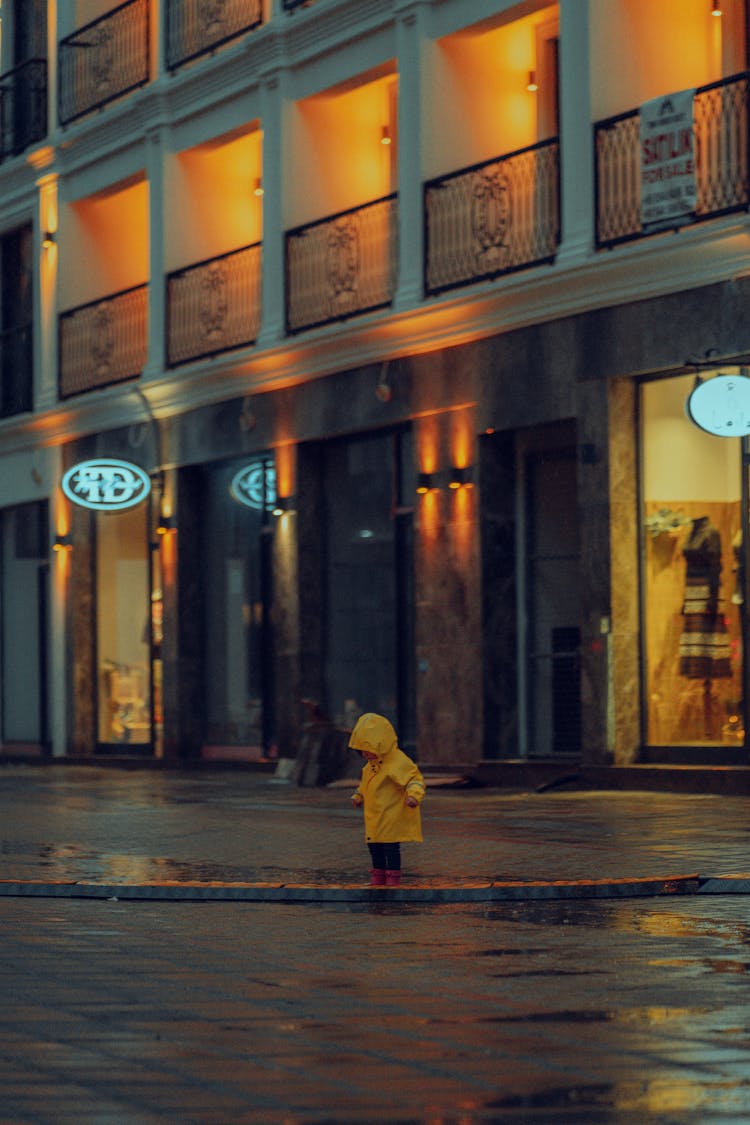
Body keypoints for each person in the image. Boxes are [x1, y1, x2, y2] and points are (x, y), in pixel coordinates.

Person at [349, 712, 426, 887]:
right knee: (374, 847)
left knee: (390, 847)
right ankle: (378, 878)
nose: (364, 754)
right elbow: (365, 784)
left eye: (367, 749)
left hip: (390, 814)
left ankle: (392, 880)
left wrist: (414, 795)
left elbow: (414, 779)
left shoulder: (396, 761)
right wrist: (358, 795)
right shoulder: (370, 766)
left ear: (380, 744)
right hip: (374, 816)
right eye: (361, 750)